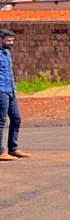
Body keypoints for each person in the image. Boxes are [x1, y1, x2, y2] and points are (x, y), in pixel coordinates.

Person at [0, 30, 26, 161]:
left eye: (12, 40)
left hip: (11, 90)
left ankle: (13, 148)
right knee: (1, 121)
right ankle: (0, 151)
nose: (11, 43)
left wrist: (14, 89)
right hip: (1, 91)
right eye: (8, 40)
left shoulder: (7, 53)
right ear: (1, 39)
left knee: (17, 119)